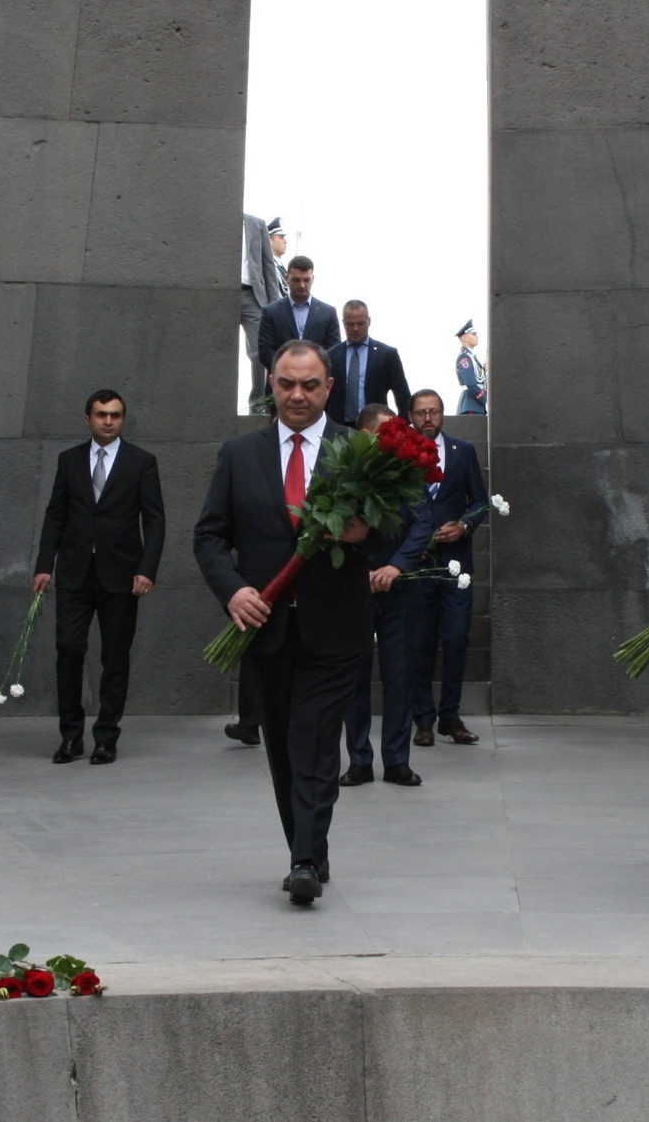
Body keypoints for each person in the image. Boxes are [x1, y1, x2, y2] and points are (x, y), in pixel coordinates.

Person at [194, 339, 381, 905]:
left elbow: (398, 526)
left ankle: (303, 858)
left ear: (330, 388)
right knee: (281, 747)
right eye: (286, 383)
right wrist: (234, 592)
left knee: (317, 742)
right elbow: (208, 537)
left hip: (336, 628)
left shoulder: (359, 450)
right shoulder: (239, 454)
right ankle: (308, 850)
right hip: (265, 630)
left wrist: (365, 533)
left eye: (309, 384)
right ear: (270, 384)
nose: (297, 395)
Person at [33, 389, 166, 766]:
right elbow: (55, 514)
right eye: (101, 414)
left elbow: (154, 520)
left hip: (122, 576)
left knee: (115, 658)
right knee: (69, 651)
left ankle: (106, 737)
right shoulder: (70, 461)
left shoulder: (142, 462)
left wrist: (147, 569)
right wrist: (45, 564)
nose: (109, 421)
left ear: (123, 419)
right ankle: (70, 736)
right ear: (87, 418)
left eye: (116, 415)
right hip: (75, 573)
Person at [340, 404, 432, 788]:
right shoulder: (344, 472)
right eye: (384, 433)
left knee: (399, 677)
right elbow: (333, 523)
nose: (393, 440)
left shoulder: (407, 472)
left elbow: (423, 523)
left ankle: (397, 760)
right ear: (363, 436)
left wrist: (396, 566)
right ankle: (359, 760)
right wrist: (362, 572)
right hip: (355, 589)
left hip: (401, 589)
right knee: (354, 680)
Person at [408, 390, 486, 748]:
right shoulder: (399, 454)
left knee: (455, 637)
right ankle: (423, 718)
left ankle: (450, 716)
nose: (428, 418)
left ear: (442, 415)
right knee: (420, 640)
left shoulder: (463, 451)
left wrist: (465, 525)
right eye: (422, 413)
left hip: (456, 565)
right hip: (417, 564)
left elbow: (480, 501)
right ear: (410, 416)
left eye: (434, 412)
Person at [330, 300, 412, 428]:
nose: (355, 329)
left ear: (369, 321)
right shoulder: (331, 356)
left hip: (375, 428)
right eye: (350, 324)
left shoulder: (387, 355)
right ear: (343, 323)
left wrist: (402, 428)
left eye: (360, 323)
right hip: (338, 428)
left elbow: (402, 395)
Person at [257, 256, 339, 375]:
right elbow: (265, 352)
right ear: (286, 278)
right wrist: (288, 371)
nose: (302, 285)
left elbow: (334, 351)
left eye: (306, 280)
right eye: (296, 280)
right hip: (282, 382)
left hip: (314, 382)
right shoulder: (270, 312)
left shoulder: (328, 313)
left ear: (313, 279)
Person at [240, 214, 286, 409]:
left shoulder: (255, 224)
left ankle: (257, 404)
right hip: (222, 292)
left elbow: (268, 264)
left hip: (252, 295)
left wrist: (275, 307)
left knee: (259, 351)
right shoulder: (217, 220)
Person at [454, 322, 487, 415]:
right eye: (473, 334)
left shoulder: (471, 357)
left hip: (477, 405)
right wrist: (486, 400)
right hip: (471, 405)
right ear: (465, 338)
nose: (477, 336)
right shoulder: (465, 357)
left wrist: (485, 370)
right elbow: (471, 384)